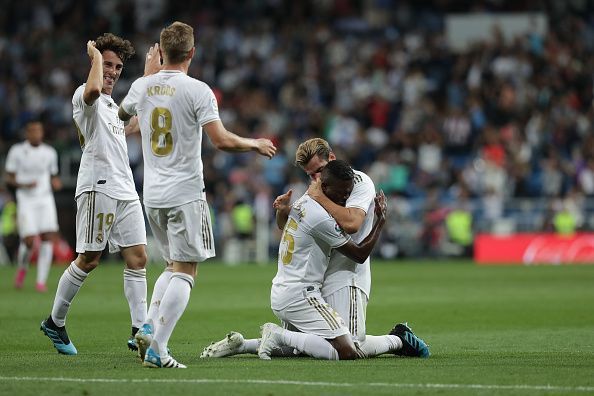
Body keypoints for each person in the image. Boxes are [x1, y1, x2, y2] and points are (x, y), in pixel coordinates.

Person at [118, 21, 276, 369]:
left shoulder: (141, 86)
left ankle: (147, 325)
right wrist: (254, 142)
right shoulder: (198, 90)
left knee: (173, 266)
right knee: (187, 272)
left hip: (153, 195)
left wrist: (147, 78)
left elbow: (120, 119)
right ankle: (158, 348)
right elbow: (220, 140)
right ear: (192, 52)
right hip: (185, 193)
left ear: (160, 51)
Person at [201, 138, 429, 359]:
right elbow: (295, 224)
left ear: (331, 157)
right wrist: (284, 211)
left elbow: (352, 223)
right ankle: (245, 345)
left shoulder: (357, 183)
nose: (316, 178)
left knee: (350, 344)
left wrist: (319, 197)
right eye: (311, 174)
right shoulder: (320, 190)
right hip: (316, 276)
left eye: (319, 170)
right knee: (313, 343)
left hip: (346, 272)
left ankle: (399, 339)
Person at [40, 33, 149, 356]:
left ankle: (139, 329)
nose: (113, 71)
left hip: (125, 188)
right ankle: (55, 321)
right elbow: (92, 89)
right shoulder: (83, 96)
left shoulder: (113, 106)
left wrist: (154, 79)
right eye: (108, 64)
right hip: (96, 186)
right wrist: (96, 60)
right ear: (96, 63)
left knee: (138, 257)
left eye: (117, 66)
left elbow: (131, 125)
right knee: (89, 259)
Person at [261, 159, 389, 360]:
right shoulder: (321, 217)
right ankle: (278, 334)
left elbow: (282, 224)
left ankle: (242, 344)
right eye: (342, 192)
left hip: (285, 289)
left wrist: (282, 211)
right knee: (349, 350)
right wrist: (379, 221)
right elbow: (359, 254)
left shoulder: (302, 202)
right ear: (325, 186)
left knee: (307, 348)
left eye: (349, 191)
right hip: (302, 294)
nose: (346, 197)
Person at [5, 120, 62, 292]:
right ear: (27, 133)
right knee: (29, 240)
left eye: (39, 130)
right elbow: (9, 177)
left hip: (45, 199)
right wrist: (23, 185)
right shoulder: (17, 151)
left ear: (42, 133)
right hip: (26, 200)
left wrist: (55, 182)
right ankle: (22, 268)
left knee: (47, 236)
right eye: (32, 131)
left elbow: (53, 175)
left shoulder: (50, 152)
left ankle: (41, 281)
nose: (36, 133)